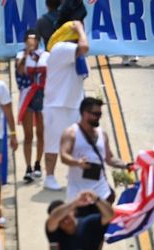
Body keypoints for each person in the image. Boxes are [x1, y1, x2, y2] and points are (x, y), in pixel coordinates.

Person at [42, 19, 90, 191]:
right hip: (57, 104)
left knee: (79, 144)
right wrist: (80, 30)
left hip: (74, 104)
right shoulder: (61, 48)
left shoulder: (76, 54)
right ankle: (49, 176)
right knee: (53, 144)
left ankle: (75, 175)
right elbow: (84, 46)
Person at [59, 98, 129, 203]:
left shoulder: (102, 134)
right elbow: (64, 156)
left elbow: (109, 159)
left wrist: (127, 165)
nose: (99, 117)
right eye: (96, 114)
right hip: (78, 194)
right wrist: (77, 162)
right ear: (84, 113)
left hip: (101, 192)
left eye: (100, 114)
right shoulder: (71, 133)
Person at [16, 31, 47, 183]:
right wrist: (27, 54)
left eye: (33, 40)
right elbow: (20, 70)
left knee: (41, 133)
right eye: (28, 40)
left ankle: (38, 164)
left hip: (42, 96)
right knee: (28, 135)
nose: (31, 43)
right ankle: (28, 167)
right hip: (27, 96)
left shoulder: (45, 55)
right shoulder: (20, 55)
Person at [45, 191, 114, 250]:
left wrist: (97, 199)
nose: (65, 221)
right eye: (61, 221)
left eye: (66, 217)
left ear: (73, 212)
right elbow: (54, 218)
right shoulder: (55, 233)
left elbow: (109, 215)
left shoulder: (89, 223)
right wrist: (75, 202)